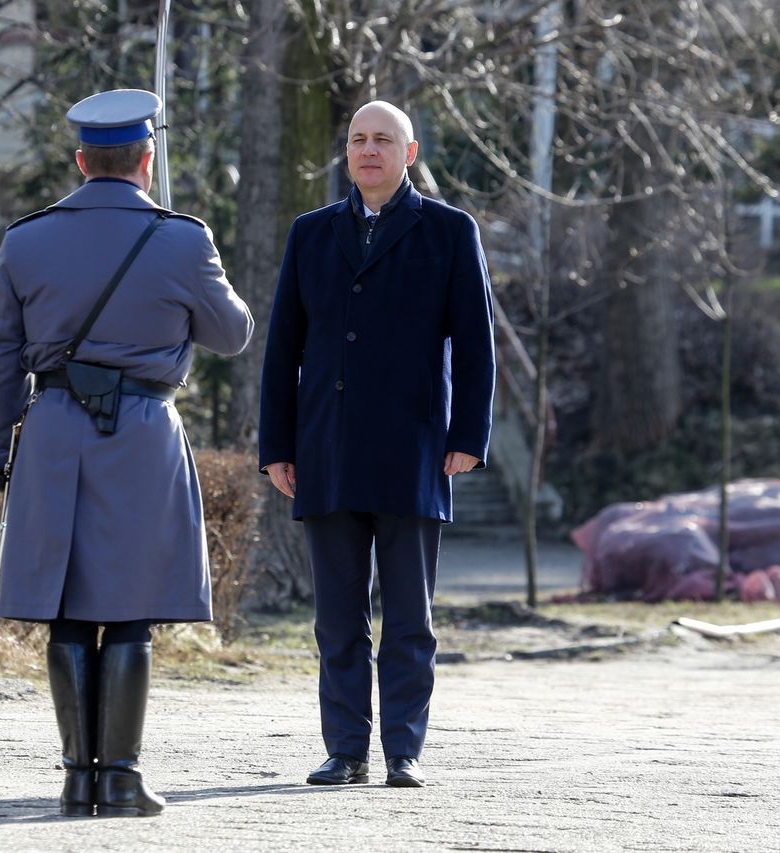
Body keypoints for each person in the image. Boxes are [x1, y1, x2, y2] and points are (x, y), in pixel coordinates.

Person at [0, 88, 253, 818]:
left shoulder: (26, 238)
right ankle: (121, 778)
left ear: (80, 161)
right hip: (140, 432)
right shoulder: (183, 237)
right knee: (130, 608)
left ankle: (76, 777)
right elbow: (233, 334)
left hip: (54, 430)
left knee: (68, 606)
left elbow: (0, 353)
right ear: (146, 160)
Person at [258, 100, 496, 789]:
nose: (369, 149)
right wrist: (277, 443)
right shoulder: (311, 234)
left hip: (413, 449)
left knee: (409, 618)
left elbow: (476, 345)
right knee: (337, 617)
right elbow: (283, 350)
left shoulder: (450, 232)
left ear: (409, 152)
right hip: (325, 450)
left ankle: (404, 749)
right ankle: (345, 750)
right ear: (347, 153)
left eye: (383, 139)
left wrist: (468, 437)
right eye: (359, 139)